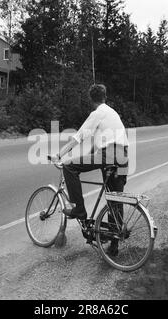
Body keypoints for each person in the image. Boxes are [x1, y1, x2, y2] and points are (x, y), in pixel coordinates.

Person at [51, 84, 129, 222]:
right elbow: (101, 142)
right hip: (123, 157)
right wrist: (89, 155)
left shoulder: (97, 114)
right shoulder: (113, 113)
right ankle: (115, 237)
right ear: (105, 97)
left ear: (91, 100)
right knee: (115, 197)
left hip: (109, 155)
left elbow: (78, 137)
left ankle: (79, 209)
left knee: (69, 166)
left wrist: (59, 155)